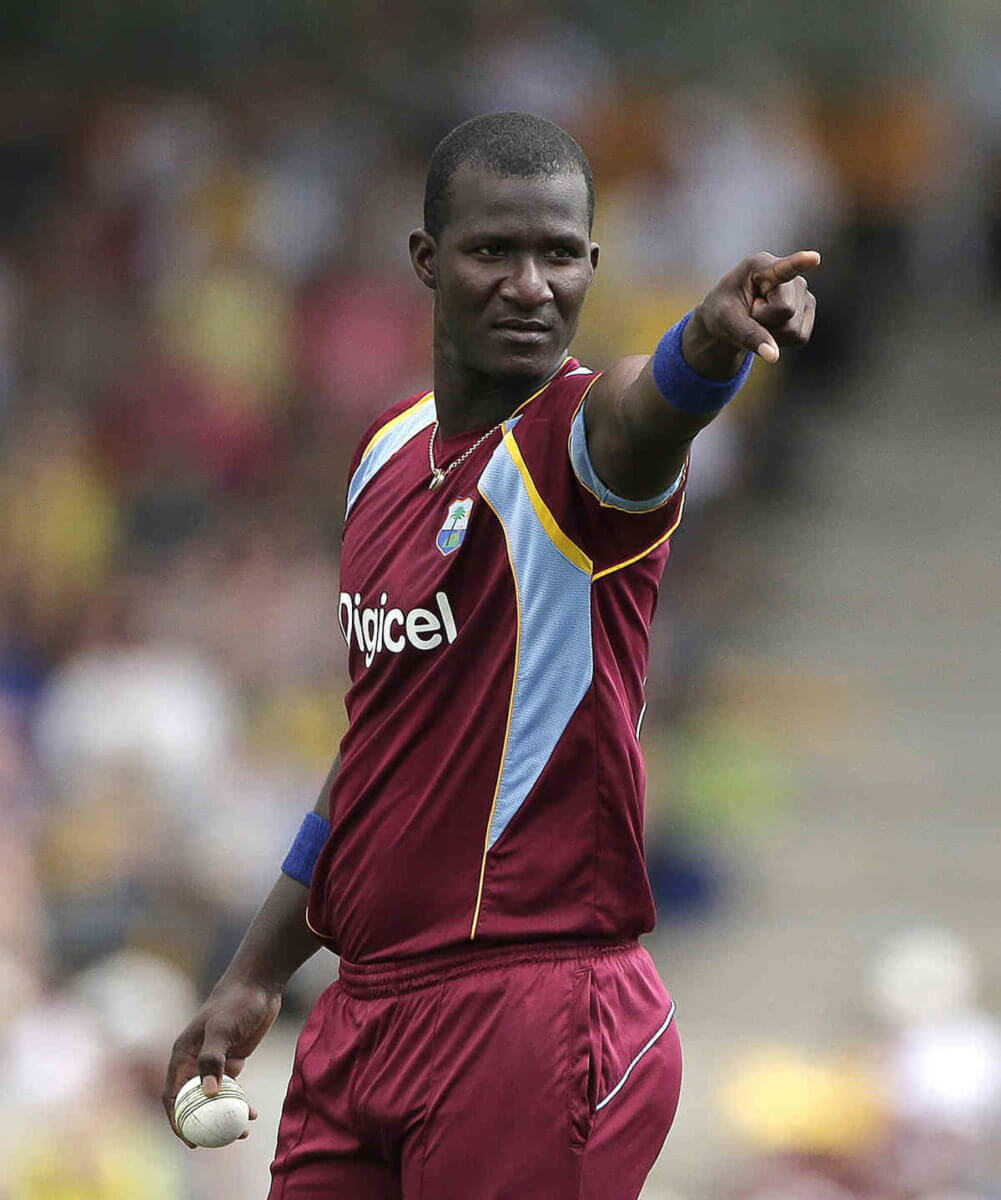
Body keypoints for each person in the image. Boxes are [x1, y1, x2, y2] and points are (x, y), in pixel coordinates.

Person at [163, 111, 818, 1199]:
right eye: (492, 250)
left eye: (559, 253)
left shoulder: (579, 445)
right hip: (364, 1011)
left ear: (592, 266)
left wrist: (707, 341)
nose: (529, 284)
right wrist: (257, 969)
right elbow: (377, 745)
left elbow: (647, 411)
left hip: (531, 1006)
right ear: (427, 259)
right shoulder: (383, 458)